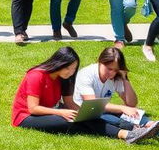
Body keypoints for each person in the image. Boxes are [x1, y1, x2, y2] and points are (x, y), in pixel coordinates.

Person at [11, 46, 158, 142]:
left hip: (52, 110)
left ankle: (127, 134)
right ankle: (127, 133)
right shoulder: (36, 75)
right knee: (68, 122)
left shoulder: (65, 78)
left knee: (82, 119)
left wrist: (81, 113)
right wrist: (62, 113)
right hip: (25, 117)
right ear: (59, 64)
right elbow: (33, 108)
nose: (71, 72)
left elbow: (69, 103)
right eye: (68, 68)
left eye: (74, 69)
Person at [74, 46, 157, 141]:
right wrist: (123, 108)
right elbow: (93, 103)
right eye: (109, 69)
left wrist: (125, 78)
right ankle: (138, 129)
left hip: (103, 109)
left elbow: (131, 103)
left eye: (116, 70)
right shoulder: (86, 74)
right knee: (111, 118)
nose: (112, 73)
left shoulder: (115, 77)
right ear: (100, 62)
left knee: (130, 112)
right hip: (86, 113)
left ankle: (150, 125)